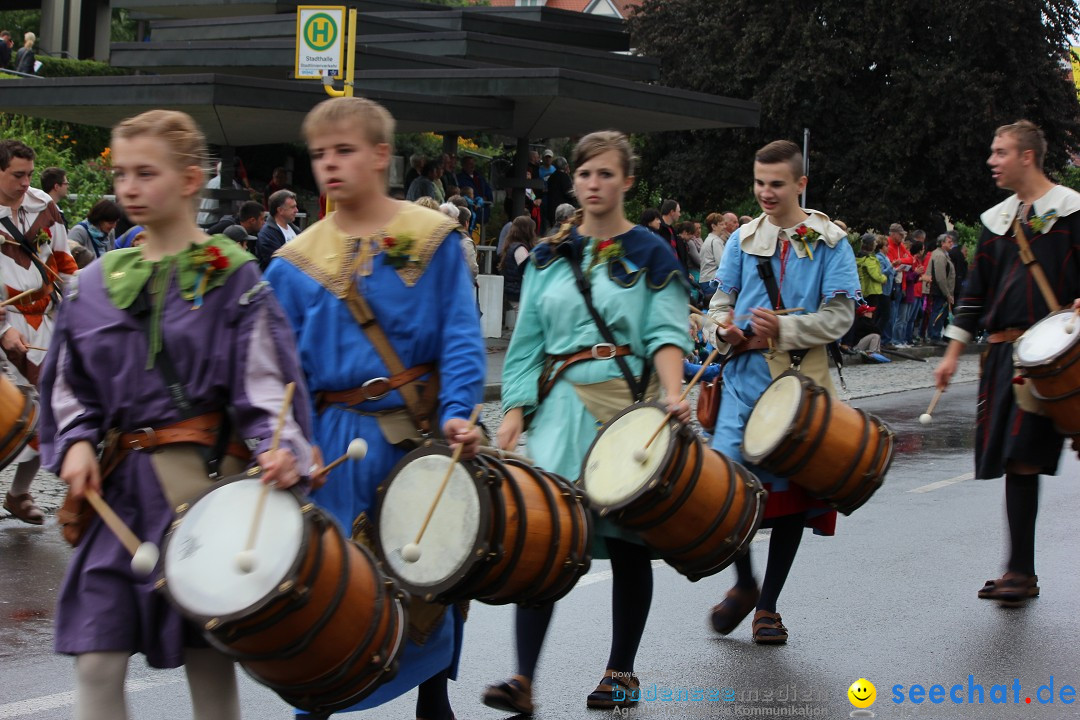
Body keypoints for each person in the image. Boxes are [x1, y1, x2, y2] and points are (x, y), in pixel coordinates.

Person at [38, 109, 313, 720]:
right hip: (119, 498)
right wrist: (78, 441)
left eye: (146, 173)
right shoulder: (90, 286)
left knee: (209, 663)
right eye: (122, 174)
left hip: (203, 496)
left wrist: (278, 446)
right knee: (97, 657)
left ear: (191, 180)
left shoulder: (237, 280)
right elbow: (66, 382)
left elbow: (267, 383)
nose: (129, 187)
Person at [264, 96, 485, 720]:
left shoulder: (432, 237)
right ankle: (318, 705)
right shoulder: (292, 263)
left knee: (431, 580)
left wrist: (458, 412)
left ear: (381, 155)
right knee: (326, 594)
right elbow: (282, 377)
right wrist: (288, 446)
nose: (330, 165)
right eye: (319, 155)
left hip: (416, 438)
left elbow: (461, 335)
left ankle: (433, 701)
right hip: (333, 446)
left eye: (345, 151)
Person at [482, 130, 691, 715]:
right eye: (585, 174)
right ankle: (523, 679)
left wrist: (674, 394)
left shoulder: (651, 251)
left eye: (606, 174)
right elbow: (525, 343)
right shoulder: (550, 254)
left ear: (626, 180)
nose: (594, 184)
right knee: (542, 541)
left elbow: (667, 331)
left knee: (628, 542)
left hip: (626, 410)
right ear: (573, 181)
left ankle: (621, 670)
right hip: (559, 415)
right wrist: (514, 411)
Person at [706, 139, 859, 645]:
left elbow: (841, 317)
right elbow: (721, 301)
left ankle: (768, 606)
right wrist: (720, 329)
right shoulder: (741, 239)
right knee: (728, 491)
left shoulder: (831, 241)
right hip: (742, 382)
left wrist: (784, 331)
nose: (766, 193)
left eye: (776, 184)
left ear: (800, 184)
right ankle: (745, 584)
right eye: (759, 183)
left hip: (799, 388)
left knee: (789, 500)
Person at [935, 119, 1080, 607]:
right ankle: (1020, 570)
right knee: (1018, 457)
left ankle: (1021, 569)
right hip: (1007, 357)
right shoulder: (996, 220)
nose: (992, 160)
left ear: (1027, 157)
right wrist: (951, 355)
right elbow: (973, 296)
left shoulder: (1071, 212)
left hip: (1064, 355)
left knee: (1028, 455)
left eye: (1000, 152)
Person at [0, 139, 77, 525]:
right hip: (5, 321)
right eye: (17, 174)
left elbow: (63, 262)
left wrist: (76, 309)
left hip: (44, 322)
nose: (25, 182)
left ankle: (18, 493)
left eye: (29, 174)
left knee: (42, 415)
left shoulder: (43, 205)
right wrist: (1, 331)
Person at [255, 189, 298, 270]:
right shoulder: (267, 234)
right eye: (292, 207)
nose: (296, 210)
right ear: (280, 210)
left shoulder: (296, 230)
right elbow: (278, 264)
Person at [499, 215, 536, 307]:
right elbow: (527, 273)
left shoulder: (511, 246)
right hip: (520, 292)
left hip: (514, 291)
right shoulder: (520, 249)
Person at [926, 233, 955, 344]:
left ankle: (938, 335)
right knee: (938, 312)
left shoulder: (944, 254)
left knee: (942, 313)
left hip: (942, 290)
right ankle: (934, 335)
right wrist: (947, 293)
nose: (951, 243)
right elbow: (940, 277)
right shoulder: (939, 255)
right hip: (939, 290)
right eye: (949, 241)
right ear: (942, 243)